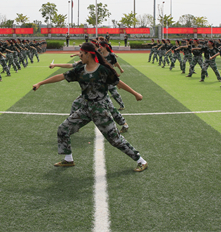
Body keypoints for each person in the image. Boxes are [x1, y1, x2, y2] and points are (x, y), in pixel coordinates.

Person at [33, 42, 148, 172]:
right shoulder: (80, 70)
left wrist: (135, 94)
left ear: (89, 54)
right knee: (63, 129)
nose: (80, 55)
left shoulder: (103, 70)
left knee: (115, 139)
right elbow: (61, 76)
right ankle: (68, 159)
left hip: (101, 110)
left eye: (81, 53)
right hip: (86, 108)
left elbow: (118, 82)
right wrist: (40, 83)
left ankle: (141, 161)